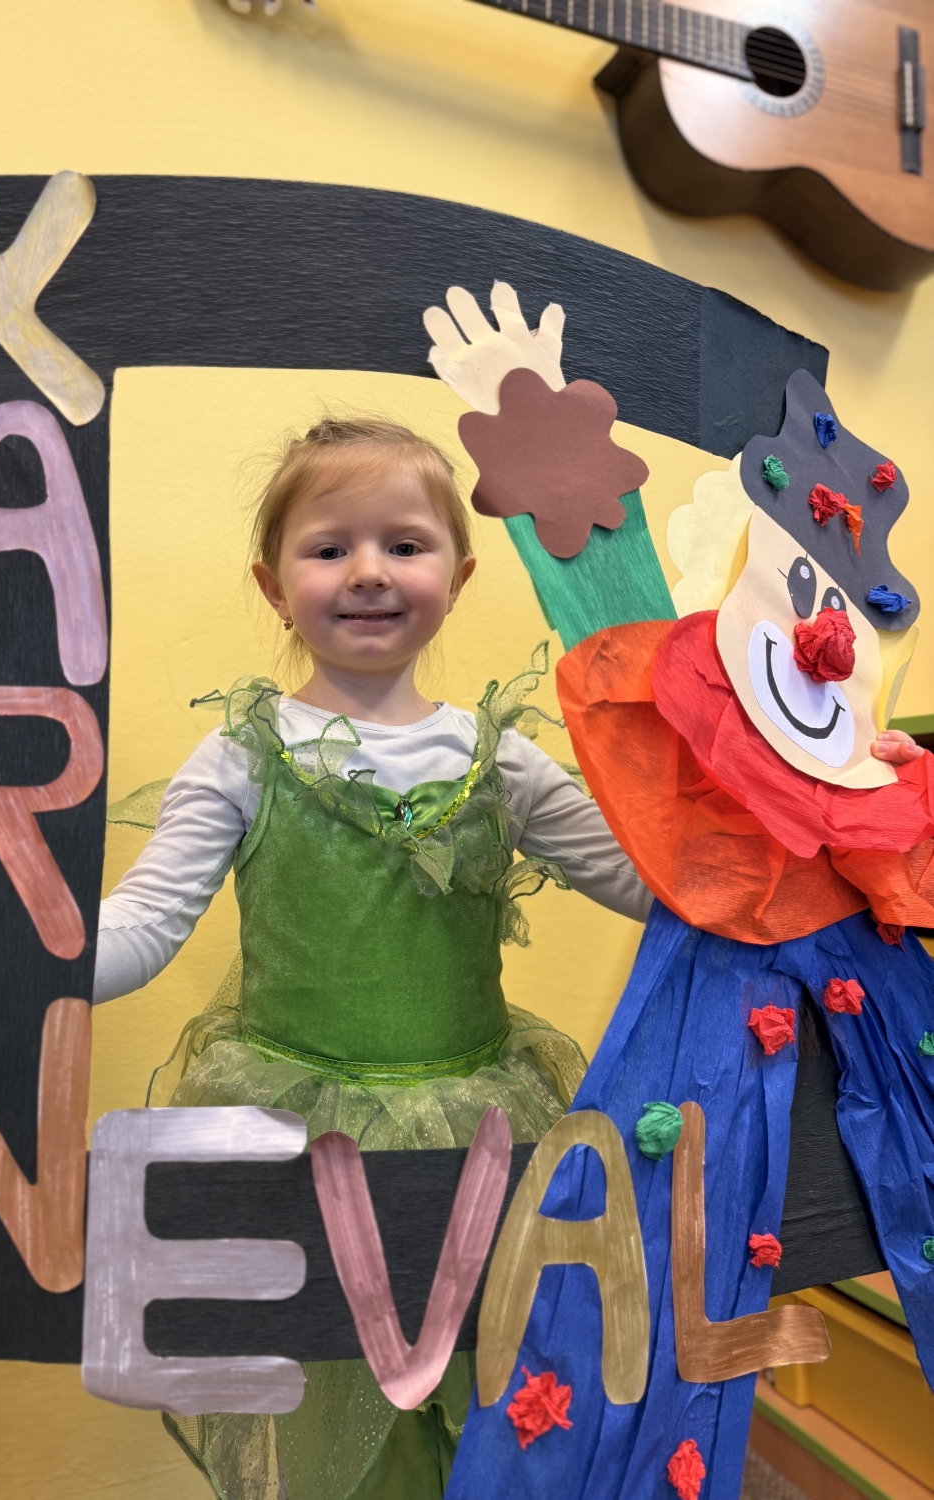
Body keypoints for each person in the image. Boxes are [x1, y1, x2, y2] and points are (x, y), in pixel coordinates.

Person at [0, 414, 654, 1500]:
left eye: (404, 545)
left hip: (478, 1127)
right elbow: (140, 927)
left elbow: (654, 885)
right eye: (329, 548)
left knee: (485, 1392)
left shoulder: (501, 760)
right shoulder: (242, 756)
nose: (367, 571)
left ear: (458, 577)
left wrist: (807, 794)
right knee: (335, 1414)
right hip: (301, 1136)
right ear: (275, 586)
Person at [420, 285, 934, 1500]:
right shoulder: (698, 724)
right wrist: (533, 419)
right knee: (643, 1261)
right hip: (707, 1030)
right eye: (798, 597)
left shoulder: (882, 801)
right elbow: (623, 623)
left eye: (839, 615)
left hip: (851, 981)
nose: (818, 641)